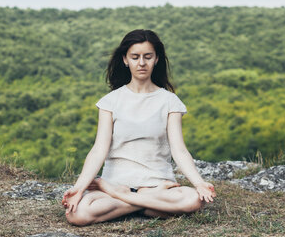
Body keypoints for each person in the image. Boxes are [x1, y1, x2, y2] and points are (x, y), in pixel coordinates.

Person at [62, 29, 216, 226]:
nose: (141, 63)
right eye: (135, 57)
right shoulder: (111, 101)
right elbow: (99, 149)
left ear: (156, 59)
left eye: (147, 57)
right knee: (77, 214)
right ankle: (151, 207)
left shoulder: (170, 101)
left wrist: (199, 183)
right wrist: (79, 188)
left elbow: (179, 150)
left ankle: (128, 200)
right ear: (125, 60)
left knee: (194, 199)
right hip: (118, 183)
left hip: (157, 185)